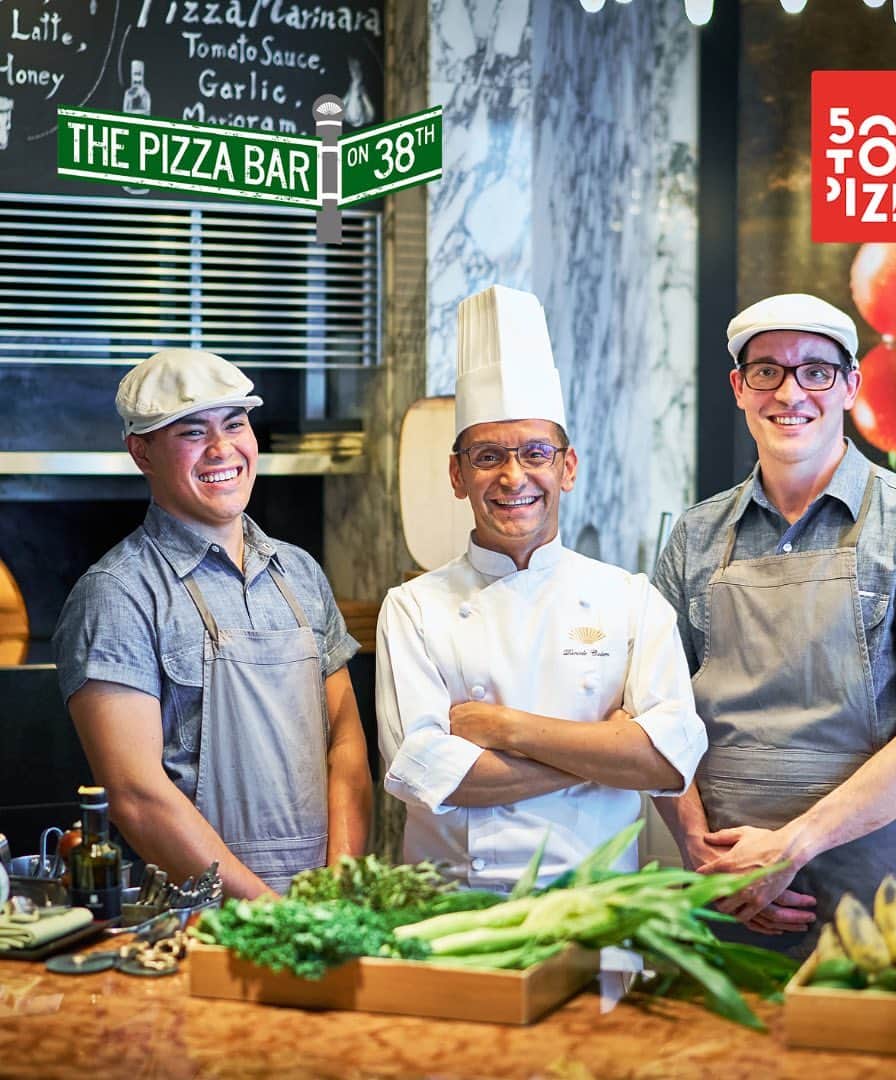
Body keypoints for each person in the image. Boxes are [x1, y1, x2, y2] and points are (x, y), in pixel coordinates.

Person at [653, 293, 896, 957]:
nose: (791, 393)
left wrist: (791, 846)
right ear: (738, 387)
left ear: (850, 387)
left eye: (816, 371)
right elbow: (655, 715)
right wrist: (700, 846)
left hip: (865, 906)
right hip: (718, 895)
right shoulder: (695, 535)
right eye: (767, 371)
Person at [376, 285, 707, 889]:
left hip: (598, 911)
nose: (513, 476)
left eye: (535, 452)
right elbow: (426, 770)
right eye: (486, 456)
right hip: (453, 913)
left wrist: (504, 729)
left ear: (568, 467)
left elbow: (667, 758)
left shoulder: (630, 601)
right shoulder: (413, 608)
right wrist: (608, 755)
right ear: (457, 475)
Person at [53, 349, 372, 897]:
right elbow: (137, 795)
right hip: (198, 920)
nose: (222, 449)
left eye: (235, 424)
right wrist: (270, 912)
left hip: (322, 906)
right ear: (141, 452)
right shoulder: (117, 593)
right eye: (192, 433)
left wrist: (339, 889)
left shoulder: (299, 573)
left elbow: (345, 739)